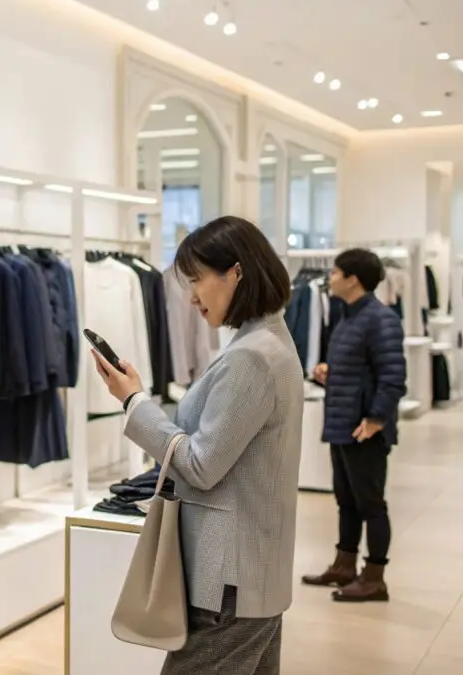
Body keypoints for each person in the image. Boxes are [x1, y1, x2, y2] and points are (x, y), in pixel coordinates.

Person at [92, 216, 303, 675]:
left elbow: (203, 465)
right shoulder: (267, 339)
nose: (191, 296)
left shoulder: (251, 356)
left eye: (197, 280)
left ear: (236, 272)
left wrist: (133, 401)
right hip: (249, 570)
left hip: (229, 579)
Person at [302, 248, 406, 602]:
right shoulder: (347, 316)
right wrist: (329, 374)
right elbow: (362, 368)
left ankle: (374, 577)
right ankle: (344, 565)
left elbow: (393, 376)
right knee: (346, 500)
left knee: (371, 504)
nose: (329, 278)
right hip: (342, 423)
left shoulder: (381, 318)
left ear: (353, 279)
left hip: (364, 428)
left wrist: (376, 419)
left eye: (334, 272)